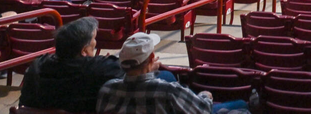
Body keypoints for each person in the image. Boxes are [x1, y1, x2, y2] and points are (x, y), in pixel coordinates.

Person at [98, 31, 247, 114]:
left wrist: (150, 68)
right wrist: (205, 96)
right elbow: (203, 110)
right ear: (151, 58)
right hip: (200, 105)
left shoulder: (107, 89)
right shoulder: (167, 90)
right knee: (242, 105)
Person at [20, 17, 124, 113]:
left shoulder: (37, 66)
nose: (95, 43)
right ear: (84, 51)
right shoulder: (101, 68)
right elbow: (129, 68)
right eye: (94, 39)